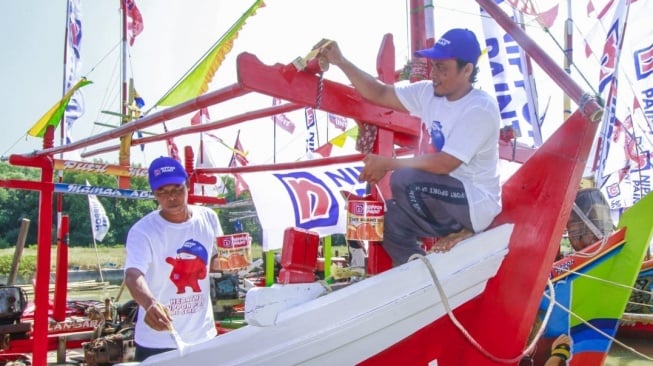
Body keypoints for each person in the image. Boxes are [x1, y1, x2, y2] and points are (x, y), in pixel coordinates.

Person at [319, 28, 501, 266]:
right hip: (440, 198)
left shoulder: (480, 108)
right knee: (390, 221)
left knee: (404, 179)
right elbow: (380, 92)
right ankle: (423, 277)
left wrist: (388, 164)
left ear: (467, 70)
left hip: (474, 204)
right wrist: (341, 62)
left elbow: (446, 163)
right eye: (434, 65)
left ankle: (464, 230)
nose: (434, 74)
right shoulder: (428, 92)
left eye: (442, 68)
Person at [124, 156, 223, 361]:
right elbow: (133, 275)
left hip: (203, 335)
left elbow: (215, 262)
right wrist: (150, 303)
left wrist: (232, 261)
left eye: (177, 189)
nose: (171, 197)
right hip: (158, 340)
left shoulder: (208, 218)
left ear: (187, 185)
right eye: (162, 191)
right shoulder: (143, 231)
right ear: (154, 194)